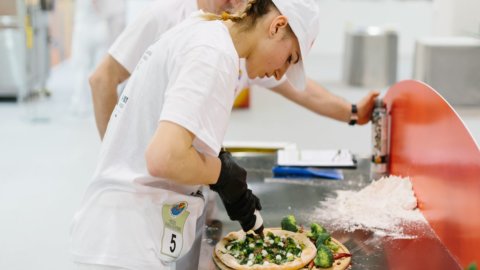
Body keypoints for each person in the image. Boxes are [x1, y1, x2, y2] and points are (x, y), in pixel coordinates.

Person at [70, 0, 320, 269]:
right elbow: (164, 157)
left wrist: (219, 164)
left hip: (122, 233)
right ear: (277, 25)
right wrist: (222, 174)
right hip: (127, 242)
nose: (282, 72)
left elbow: (174, 129)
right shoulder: (213, 53)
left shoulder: (203, 30)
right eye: (290, 58)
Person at [90, 0, 378, 141]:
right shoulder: (167, 16)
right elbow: (102, 79)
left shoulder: (241, 42)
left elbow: (303, 91)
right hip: (152, 172)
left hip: (178, 181)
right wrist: (116, 157)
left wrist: (353, 112)